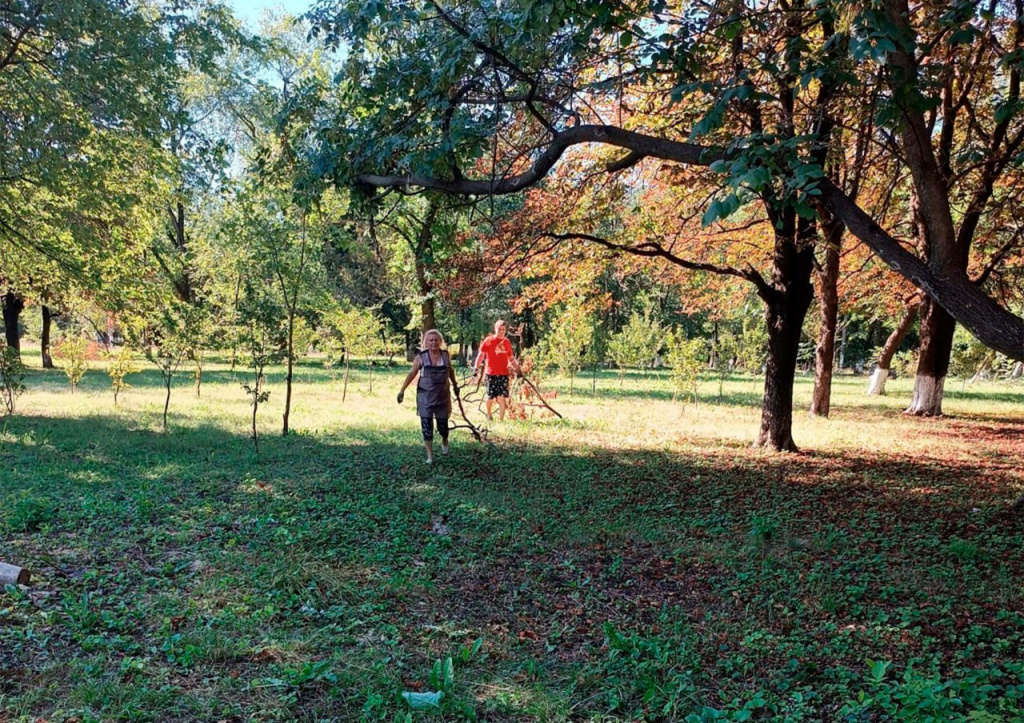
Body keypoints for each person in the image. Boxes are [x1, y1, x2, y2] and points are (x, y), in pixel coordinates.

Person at [397, 329, 459, 464]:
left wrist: (455, 385)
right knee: (427, 425)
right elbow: (412, 373)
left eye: (436, 340)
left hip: (442, 396)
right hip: (425, 396)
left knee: (443, 426)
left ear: (440, 341)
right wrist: (402, 390)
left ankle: (444, 440)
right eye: (430, 340)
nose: (433, 342)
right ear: (426, 342)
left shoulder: (445, 355)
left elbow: (451, 372)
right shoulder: (421, 357)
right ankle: (430, 456)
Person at [474, 319, 520, 421]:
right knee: (490, 397)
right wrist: (476, 368)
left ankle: (501, 420)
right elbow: (481, 355)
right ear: (495, 329)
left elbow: (511, 358)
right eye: (499, 329)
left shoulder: (507, 342)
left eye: (503, 329)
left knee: (502, 397)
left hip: (503, 374)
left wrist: (518, 369)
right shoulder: (489, 340)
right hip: (491, 374)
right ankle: (489, 415)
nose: (501, 331)